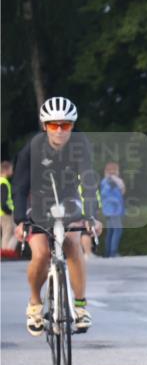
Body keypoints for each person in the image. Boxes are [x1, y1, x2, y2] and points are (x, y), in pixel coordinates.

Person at [12, 97, 102, 335]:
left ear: (73, 126)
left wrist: (92, 216)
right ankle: (34, 304)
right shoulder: (32, 148)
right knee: (41, 253)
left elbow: (89, 182)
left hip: (68, 199)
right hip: (38, 202)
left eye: (66, 125)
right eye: (54, 125)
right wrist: (21, 220)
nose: (60, 130)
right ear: (45, 126)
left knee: (73, 243)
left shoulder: (81, 146)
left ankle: (80, 306)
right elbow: (19, 187)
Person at [100, 161, 126, 257]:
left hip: (108, 210)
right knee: (118, 230)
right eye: (117, 170)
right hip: (114, 210)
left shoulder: (104, 181)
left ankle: (108, 253)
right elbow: (122, 190)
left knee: (111, 231)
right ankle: (113, 252)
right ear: (114, 171)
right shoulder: (113, 181)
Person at [1, 160, 15, 253]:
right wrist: (9, 211)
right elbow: (3, 199)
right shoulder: (4, 182)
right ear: (6, 170)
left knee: (4, 234)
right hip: (5, 213)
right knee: (9, 233)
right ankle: (6, 253)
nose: (12, 171)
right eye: (11, 169)